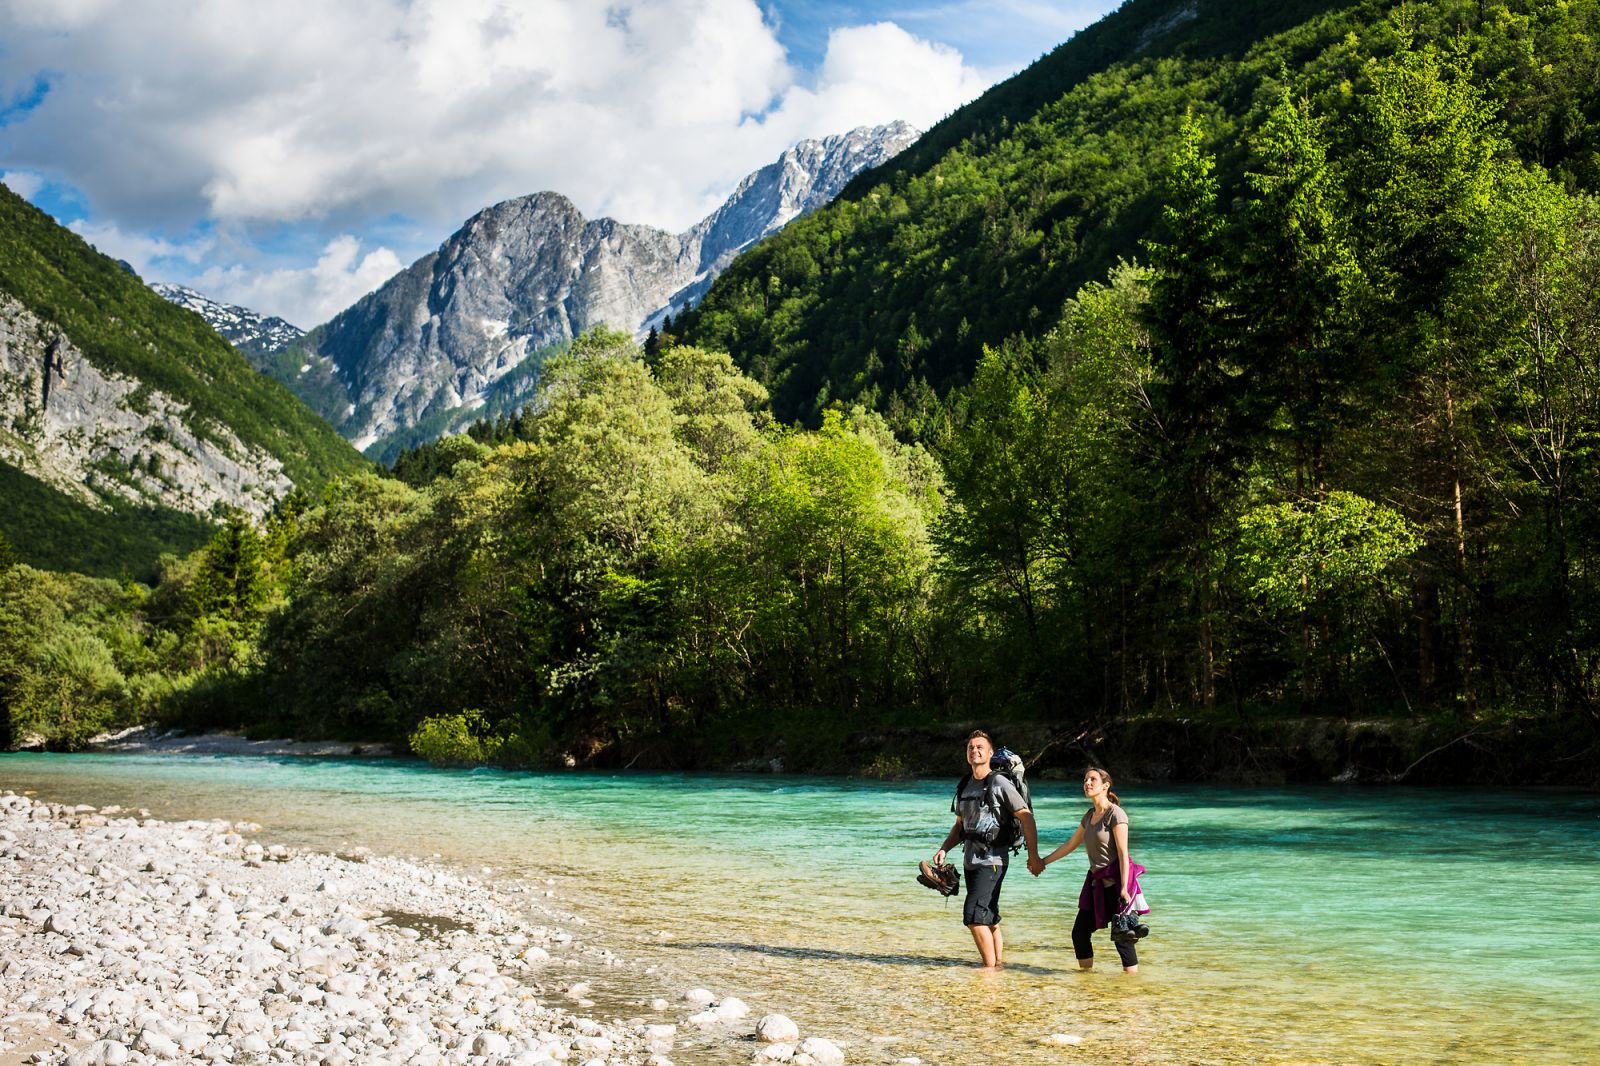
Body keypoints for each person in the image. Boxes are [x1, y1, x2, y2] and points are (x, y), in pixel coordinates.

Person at [931, 730, 1039, 969]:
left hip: (992, 861)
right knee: (988, 916)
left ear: (990, 753)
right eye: (970, 747)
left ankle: (988, 972)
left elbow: (1026, 816)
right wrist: (944, 849)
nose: (974, 750)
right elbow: (960, 826)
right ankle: (998, 966)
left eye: (980, 747)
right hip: (971, 860)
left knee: (973, 916)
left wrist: (1033, 855)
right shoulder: (964, 785)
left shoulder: (999, 783)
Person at [1030, 766, 1145, 973]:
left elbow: (1123, 854)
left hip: (1118, 884)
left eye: (1093, 779)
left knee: (1123, 938)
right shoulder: (1089, 816)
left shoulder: (1116, 814)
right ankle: (1086, 978)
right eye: (1085, 780)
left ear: (1105, 786)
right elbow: (1070, 845)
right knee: (1080, 933)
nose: (1087, 783)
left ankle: (1132, 985)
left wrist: (1124, 889)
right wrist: (1042, 862)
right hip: (1097, 885)